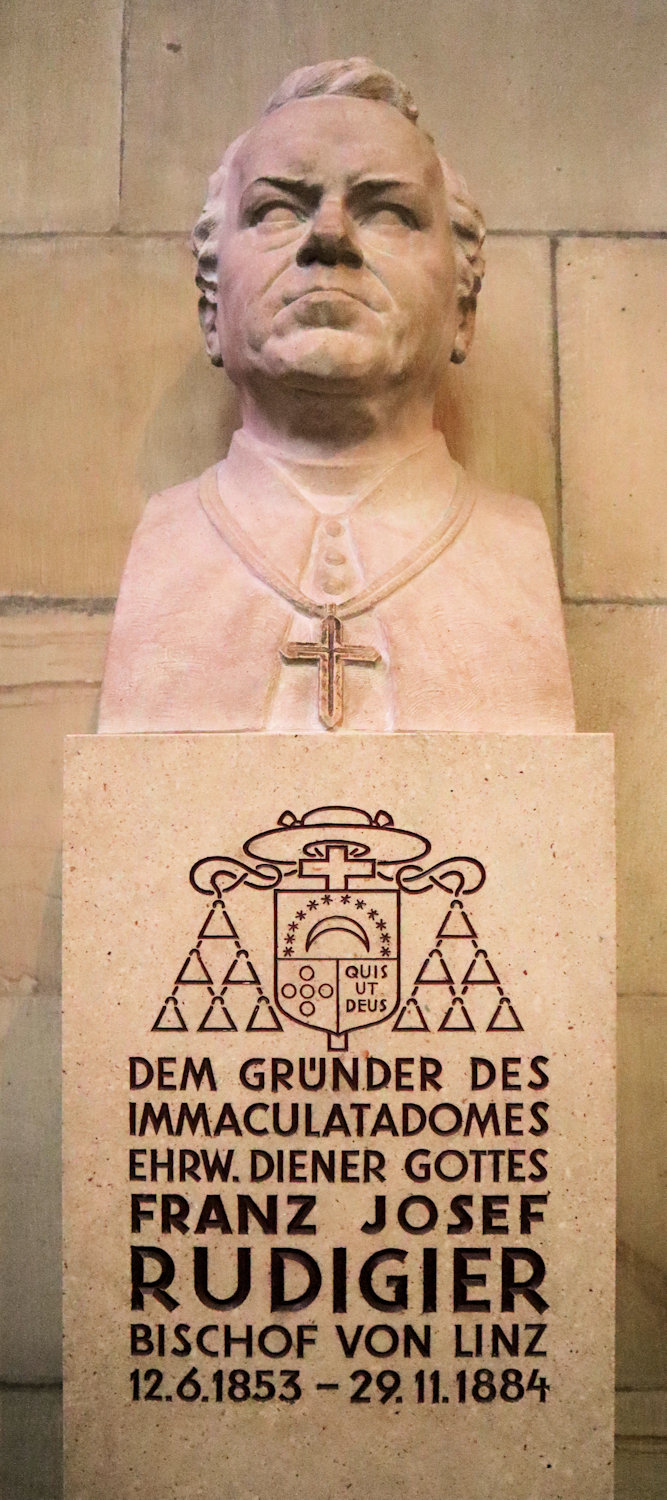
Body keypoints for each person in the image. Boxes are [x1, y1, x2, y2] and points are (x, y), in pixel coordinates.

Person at [99, 58, 574, 733]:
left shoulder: (512, 553)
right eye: (274, 210)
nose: (328, 237)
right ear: (211, 303)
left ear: (462, 304)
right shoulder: (164, 557)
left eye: (387, 213)